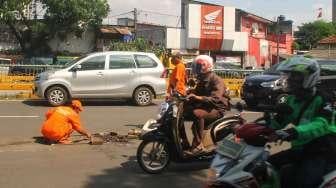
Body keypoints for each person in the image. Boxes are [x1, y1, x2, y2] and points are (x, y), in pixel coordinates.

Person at [267, 56, 336, 188]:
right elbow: (279, 120)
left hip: (323, 147)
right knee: (268, 165)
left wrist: (293, 132)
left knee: (304, 182)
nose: (290, 80)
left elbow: (322, 124)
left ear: (308, 79)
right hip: (302, 146)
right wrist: (263, 127)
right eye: (290, 76)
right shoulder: (291, 99)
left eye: (296, 77)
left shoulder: (324, 99)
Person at [186, 55, 230, 153]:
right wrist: (189, 93)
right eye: (196, 66)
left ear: (206, 66)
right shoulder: (202, 79)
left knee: (197, 114)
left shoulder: (216, 80)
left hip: (217, 108)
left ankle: (198, 145)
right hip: (207, 106)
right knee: (184, 112)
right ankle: (186, 143)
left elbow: (215, 99)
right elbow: (197, 92)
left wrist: (197, 97)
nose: (197, 69)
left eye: (199, 66)